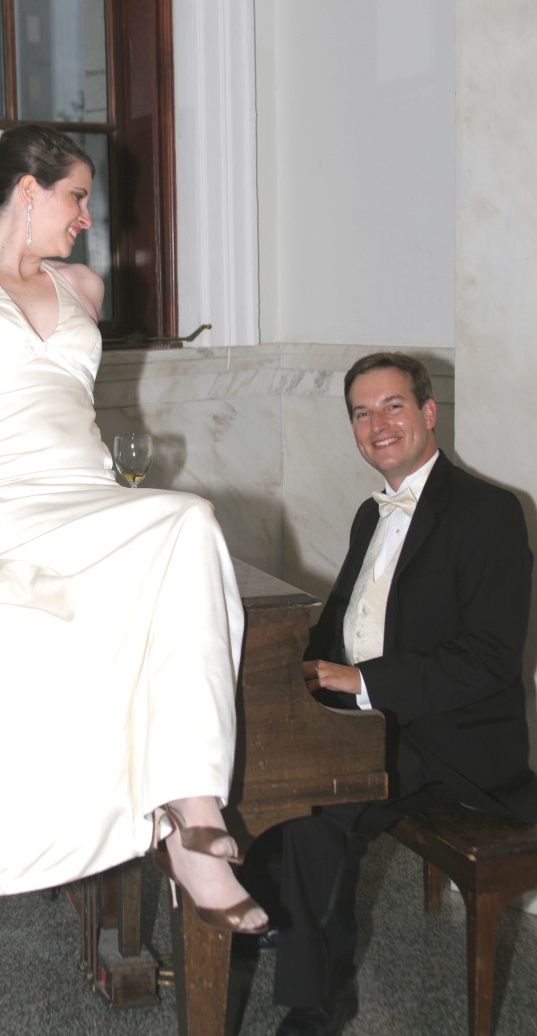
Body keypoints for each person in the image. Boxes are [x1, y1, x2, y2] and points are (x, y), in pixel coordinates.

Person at [0, 125, 267, 933]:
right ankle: (187, 828)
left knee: (190, 518)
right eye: (77, 197)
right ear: (28, 191)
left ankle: (192, 811)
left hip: (83, 491)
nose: (86, 218)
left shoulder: (84, 288)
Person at [240, 352, 537, 1034]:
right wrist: (281, 674)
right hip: (370, 714)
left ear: (429, 413)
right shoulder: (369, 514)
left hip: (452, 737)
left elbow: (490, 661)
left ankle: (318, 1001)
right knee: (260, 757)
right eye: (361, 413)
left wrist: (364, 681)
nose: (378, 425)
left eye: (393, 406)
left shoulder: (490, 512)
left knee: (319, 802)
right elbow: (338, 624)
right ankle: (278, 915)